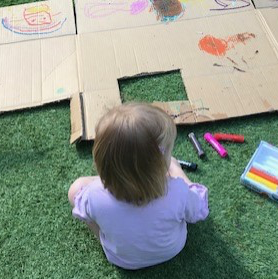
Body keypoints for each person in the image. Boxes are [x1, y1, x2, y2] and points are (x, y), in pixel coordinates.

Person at [68, 103, 209, 269]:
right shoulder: (178, 191)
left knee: (75, 188)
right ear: (157, 166)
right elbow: (200, 208)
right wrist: (176, 169)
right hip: (171, 249)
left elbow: (84, 205)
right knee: (178, 177)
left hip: (121, 258)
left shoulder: (93, 194)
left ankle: (104, 238)